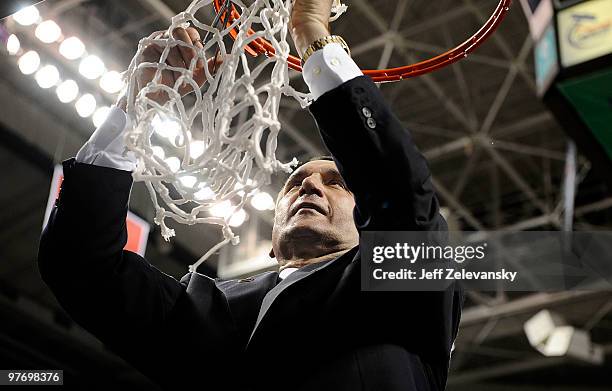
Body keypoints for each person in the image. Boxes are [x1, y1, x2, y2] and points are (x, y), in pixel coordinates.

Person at [38, 0, 463, 390]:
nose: (310, 185)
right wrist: (138, 102)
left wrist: (313, 35)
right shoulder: (208, 310)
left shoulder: (407, 287)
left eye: (338, 182)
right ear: (273, 240)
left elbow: (403, 198)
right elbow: (81, 266)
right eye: (295, 183)